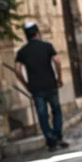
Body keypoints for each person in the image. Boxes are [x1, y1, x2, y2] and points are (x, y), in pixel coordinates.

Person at [15, 22, 69, 152]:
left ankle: (51, 140)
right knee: (56, 110)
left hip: (36, 88)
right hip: (50, 84)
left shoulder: (23, 51)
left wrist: (26, 84)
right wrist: (59, 78)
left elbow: (17, 70)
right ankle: (58, 136)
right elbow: (57, 61)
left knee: (42, 114)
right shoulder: (47, 46)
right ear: (37, 33)